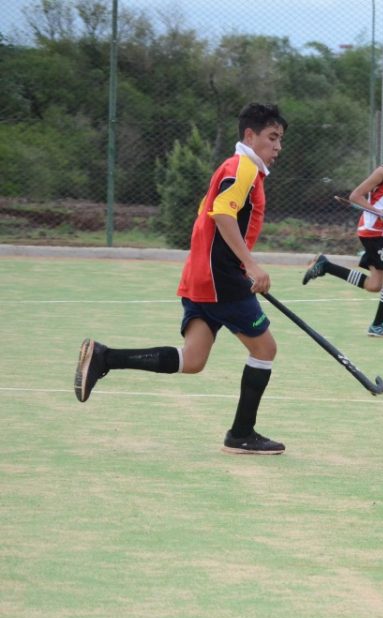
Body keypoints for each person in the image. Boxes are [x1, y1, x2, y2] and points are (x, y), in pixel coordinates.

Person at [74, 102, 291, 455]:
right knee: (265, 349)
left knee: (192, 360)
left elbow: (207, 217)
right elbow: (222, 215)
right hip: (220, 280)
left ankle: (104, 357)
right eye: (272, 137)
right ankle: (241, 434)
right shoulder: (243, 169)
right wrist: (250, 265)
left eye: (280, 139)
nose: (278, 146)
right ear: (250, 136)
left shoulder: (233, 168)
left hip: (201, 277)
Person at [301, 128, 383, 338]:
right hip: (372, 231)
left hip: (382, 232)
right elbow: (355, 196)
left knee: (374, 285)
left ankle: (326, 266)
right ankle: (378, 325)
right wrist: (379, 213)